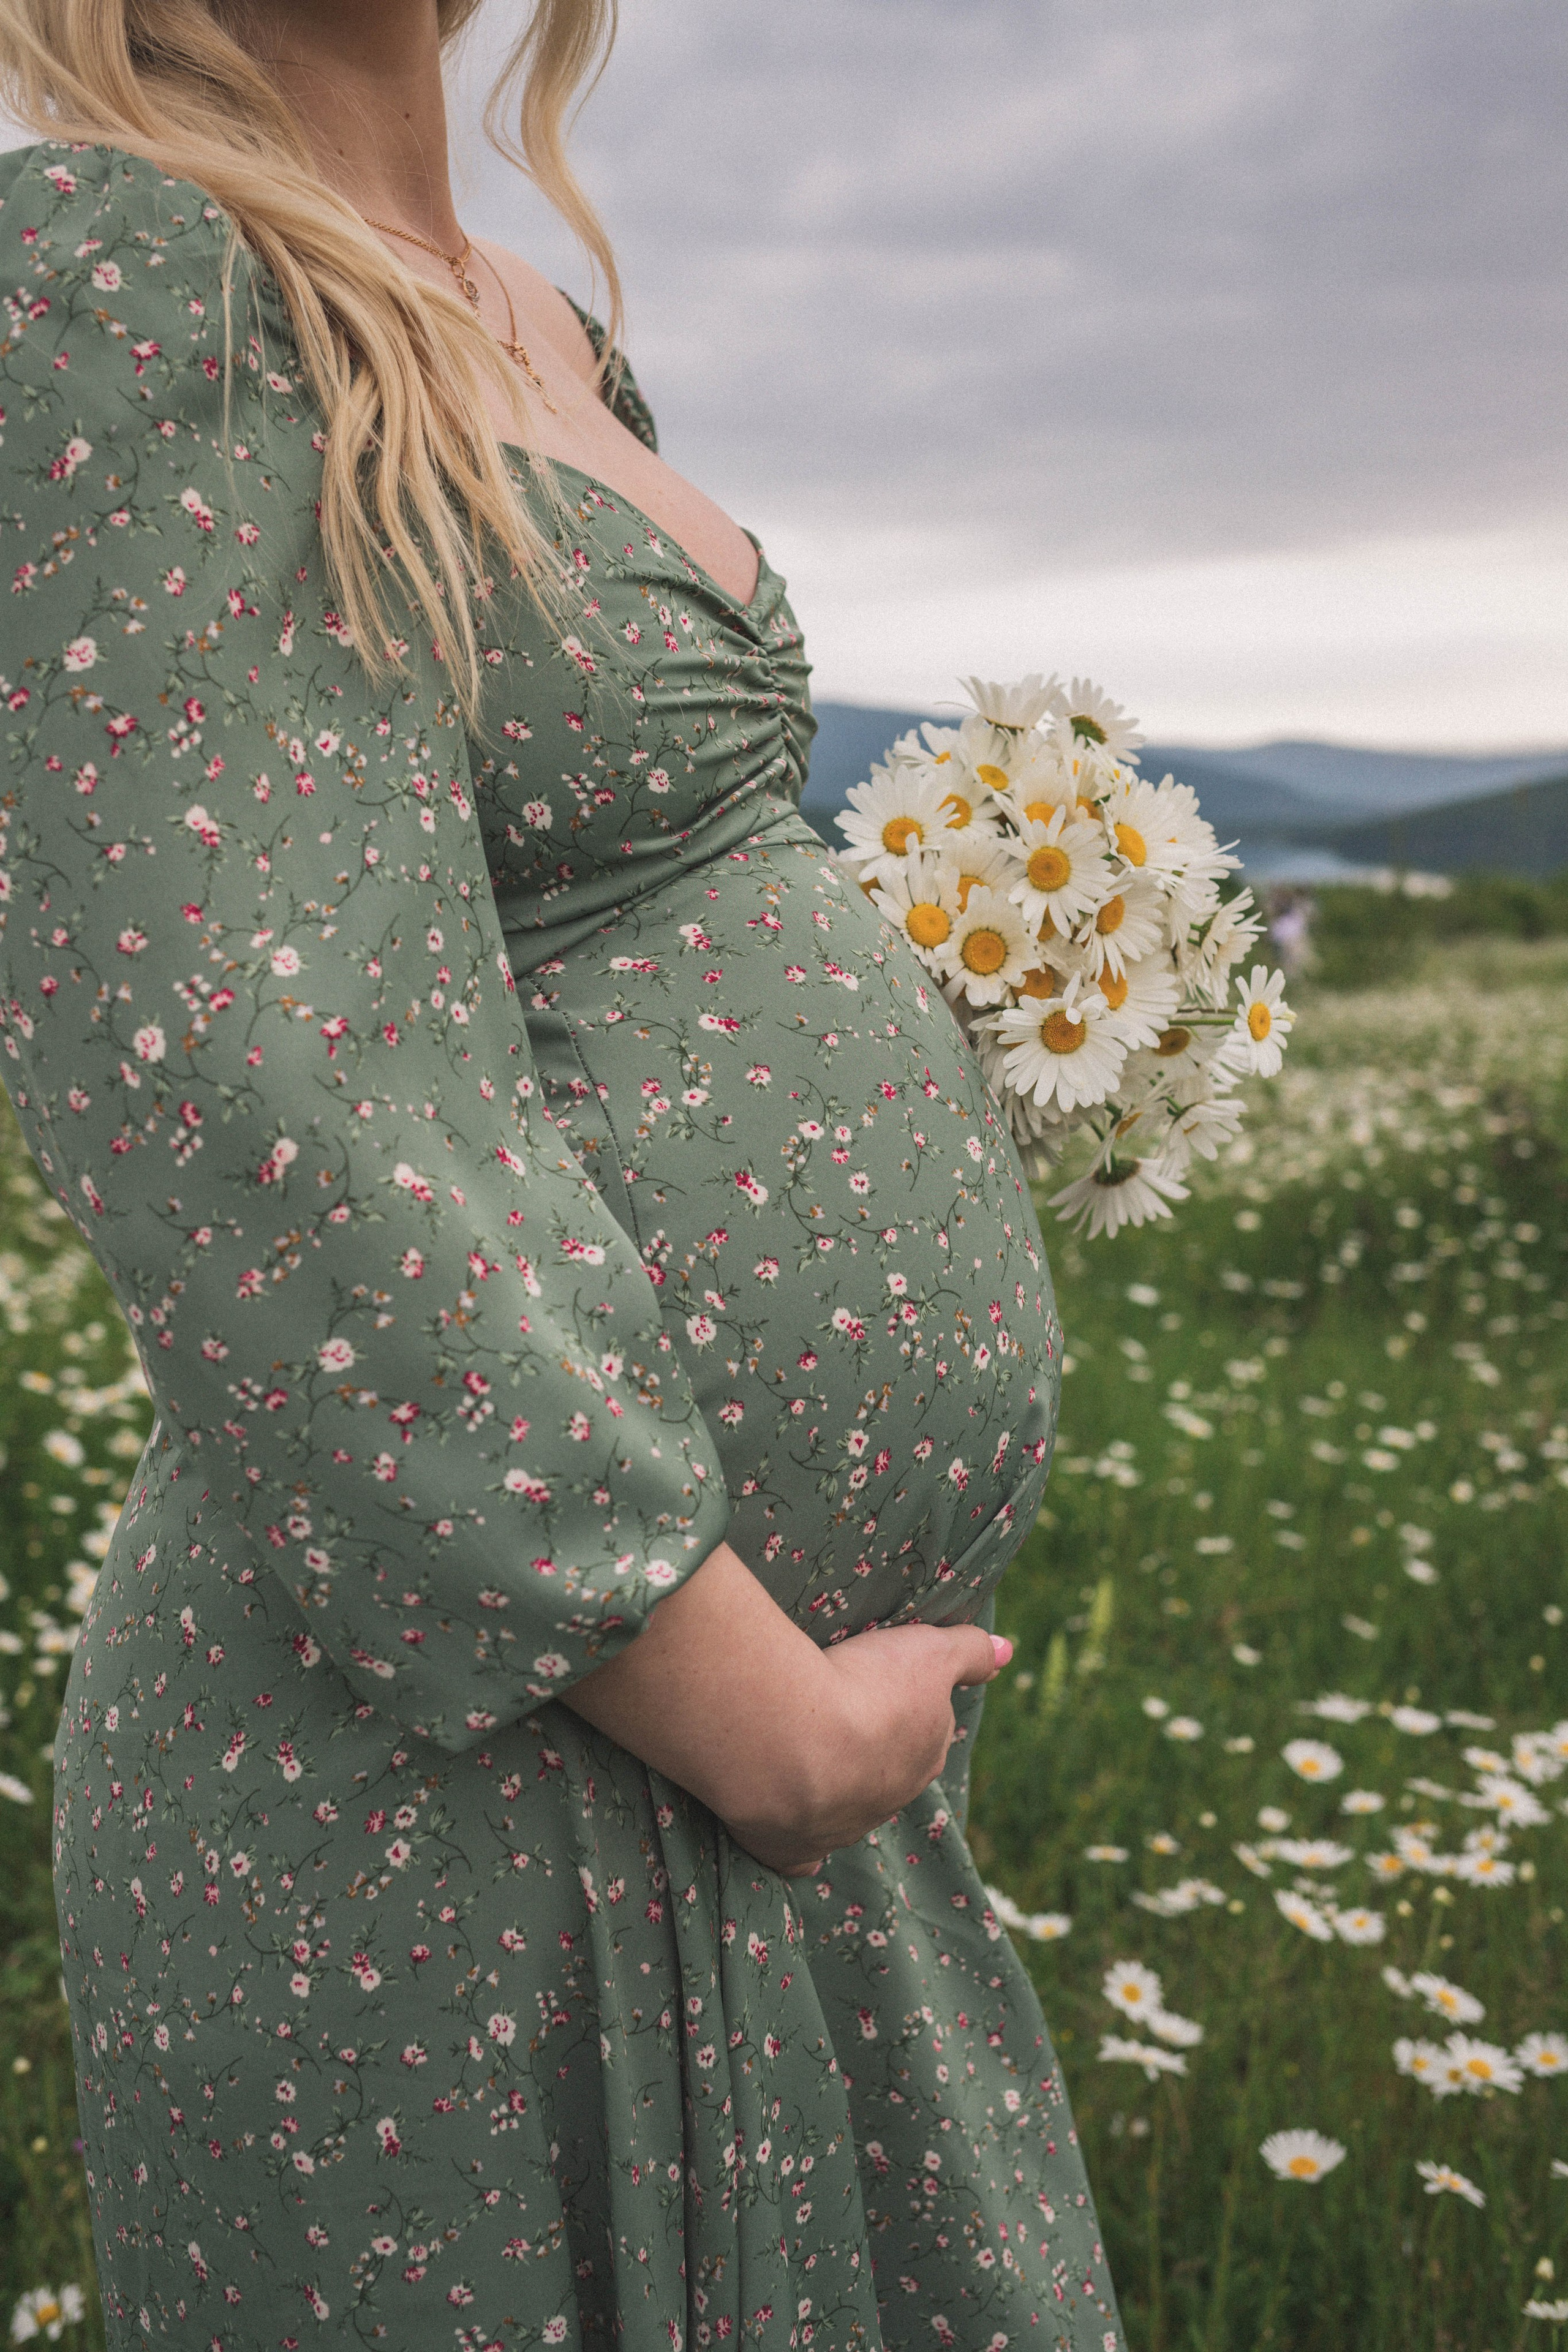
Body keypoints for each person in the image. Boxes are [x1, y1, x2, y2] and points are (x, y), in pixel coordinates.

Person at [0, 3, 1123, 2346]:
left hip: (761, 1761)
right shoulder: (119, 268)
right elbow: (244, 1079)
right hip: (471, 1782)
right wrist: (751, 1710)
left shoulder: (534, 317)